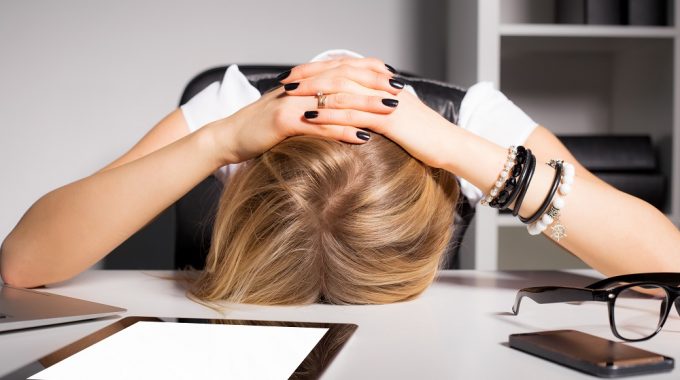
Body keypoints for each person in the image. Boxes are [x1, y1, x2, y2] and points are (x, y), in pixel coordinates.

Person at [1, 50, 678, 305]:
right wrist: (222, 135)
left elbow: (665, 266)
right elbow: (24, 263)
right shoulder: (232, 105)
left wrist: (456, 146)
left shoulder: (469, 119)